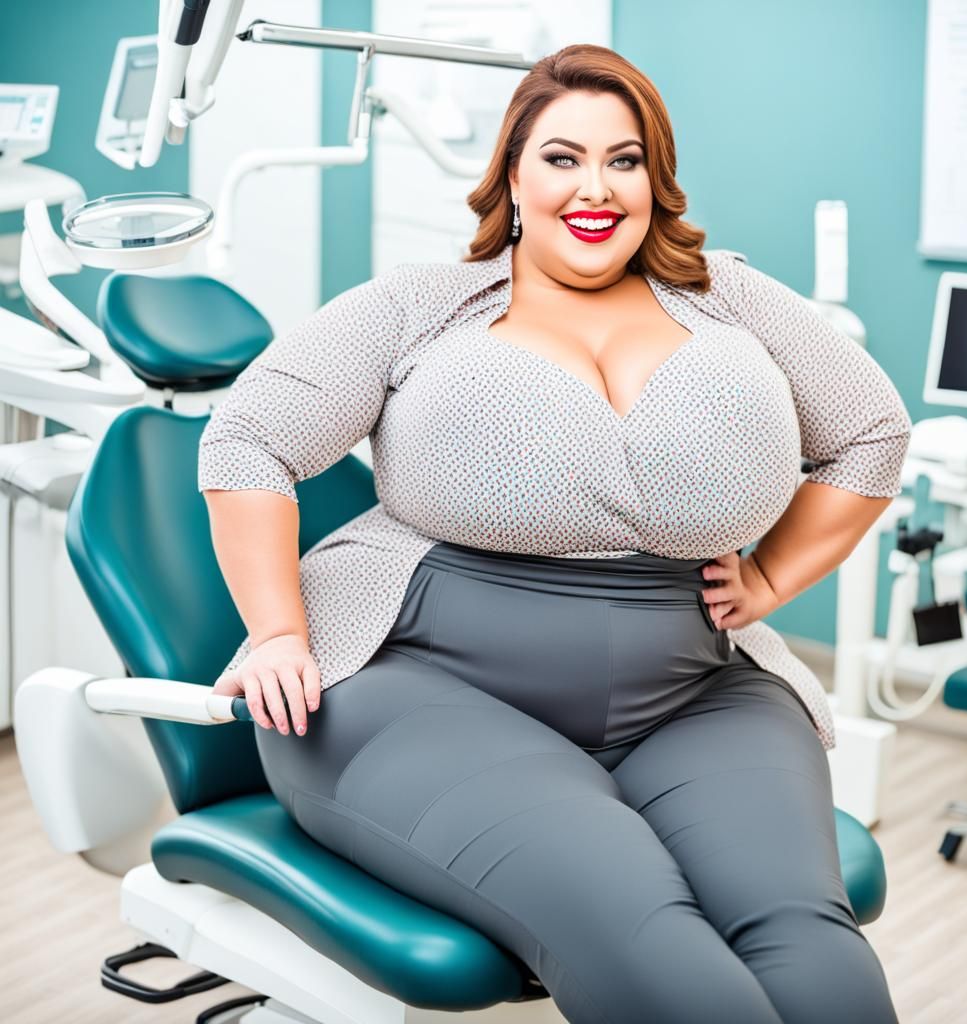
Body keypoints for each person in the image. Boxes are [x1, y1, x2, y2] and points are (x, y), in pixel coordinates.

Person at [199, 43, 907, 1024]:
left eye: (625, 160)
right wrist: (277, 630)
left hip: (691, 688)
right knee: (634, 920)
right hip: (414, 685)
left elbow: (872, 432)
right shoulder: (421, 304)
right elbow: (247, 438)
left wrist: (774, 578)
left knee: (800, 930)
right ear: (512, 174)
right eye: (562, 157)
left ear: (656, 181)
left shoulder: (729, 297)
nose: (596, 187)